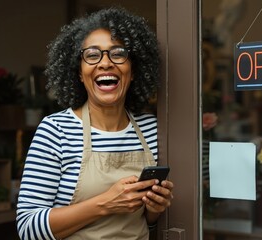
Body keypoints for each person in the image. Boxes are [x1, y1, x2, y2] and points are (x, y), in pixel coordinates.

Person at [16, 7, 174, 240]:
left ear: (133, 70)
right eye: (92, 55)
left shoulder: (152, 129)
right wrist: (105, 204)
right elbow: (28, 229)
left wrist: (153, 211)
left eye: (118, 53)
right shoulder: (56, 131)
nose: (105, 63)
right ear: (80, 72)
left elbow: (144, 225)